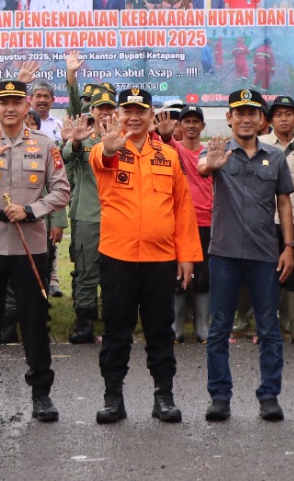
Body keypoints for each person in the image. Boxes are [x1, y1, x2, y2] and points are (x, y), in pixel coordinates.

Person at [89, 87, 201, 424]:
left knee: (160, 330)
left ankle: (164, 397)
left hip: (160, 259)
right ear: (118, 116)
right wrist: (110, 147)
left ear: (152, 116)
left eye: (141, 110)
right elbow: (101, 158)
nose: (134, 116)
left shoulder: (168, 156)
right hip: (118, 257)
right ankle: (113, 398)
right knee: (116, 331)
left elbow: (183, 208)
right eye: (127, 111)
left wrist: (187, 256)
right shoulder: (105, 149)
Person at [0, 78, 72, 424]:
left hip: (30, 242)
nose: (9, 108)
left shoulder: (44, 144)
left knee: (34, 320)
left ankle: (41, 393)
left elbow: (61, 191)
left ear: (26, 106)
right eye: (2, 102)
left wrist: (31, 210)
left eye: (16, 101)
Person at [197, 88, 294, 422]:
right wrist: (210, 164)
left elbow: (284, 201)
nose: (245, 118)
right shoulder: (218, 152)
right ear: (229, 118)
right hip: (224, 253)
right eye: (239, 112)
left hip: (265, 255)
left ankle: (269, 395)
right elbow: (202, 167)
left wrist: (289, 246)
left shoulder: (275, 157)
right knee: (219, 329)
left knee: (268, 328)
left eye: (252, 112)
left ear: (261, 119)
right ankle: (220, 397)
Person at [61, 91, 116, 344]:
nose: (104, 112)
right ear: (91, 112)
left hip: (118, 216)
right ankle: (84, 320)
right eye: (99, 108)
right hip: (88, 216)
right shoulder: (83, 139)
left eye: (109, 108)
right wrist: (74, 142)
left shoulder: (123, 138)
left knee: (116, 272)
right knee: (86, 271)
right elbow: (66, 157)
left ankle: (113, 319)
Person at [264, 95, 294, 345]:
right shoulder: (260, 143)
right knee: (266, 273)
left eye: (288, 114)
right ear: (270, 119)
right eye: (278, 114)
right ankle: (268, 325)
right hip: (265, 221)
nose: (284, 119)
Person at [172, 106, 214, 342]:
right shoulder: (173, 149)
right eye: (186, 121)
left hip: (206, 221)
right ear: (180, 126)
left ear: (203, 126)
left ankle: (201, 326)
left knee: (204, 274)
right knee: (178, 274)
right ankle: (176, 326)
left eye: (196, 121)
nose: (191, 125)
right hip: (178, 222)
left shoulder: (209, 152)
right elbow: (163, 140)